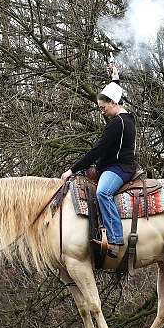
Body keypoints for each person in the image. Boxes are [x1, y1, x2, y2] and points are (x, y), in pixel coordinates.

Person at [61, 64, 136, 257]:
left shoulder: (117, 125)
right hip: (113, 165)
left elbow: (97, 150)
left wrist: (73, 169)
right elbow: (117, 94)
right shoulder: (126, 116)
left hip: (120, 168)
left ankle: (115, 238)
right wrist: (115, 79)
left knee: (103, 193)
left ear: (112, 103)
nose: (101, 111)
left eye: (103, 108)